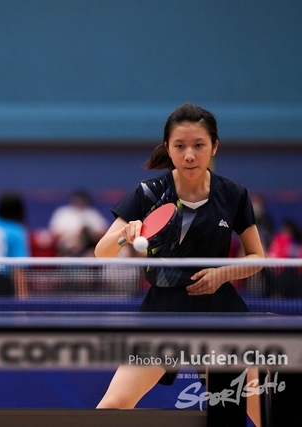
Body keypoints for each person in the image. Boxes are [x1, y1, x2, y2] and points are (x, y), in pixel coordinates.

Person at [94, 103, 264, 426]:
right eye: (180, 146)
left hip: (221, 317)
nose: (190, 155)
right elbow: (101, 252)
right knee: (113, 406)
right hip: (163, 316)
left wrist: (223, 273)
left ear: (214, 146)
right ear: (168, 149)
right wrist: (125, 236)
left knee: (258, 412)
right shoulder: (148, 194)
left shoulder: (233, 194)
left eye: (199, 145)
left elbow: (258, 258)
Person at [48, 189, 108, 256]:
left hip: (88, 245)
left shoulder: (92, 213)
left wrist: (85, 233)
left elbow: (102, 232)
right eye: (77, 200)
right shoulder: (62, 213)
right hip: (66, 244)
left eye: (81, 200)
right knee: (71, 243)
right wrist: (73, 234)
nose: (79, 202)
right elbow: (54, 233)